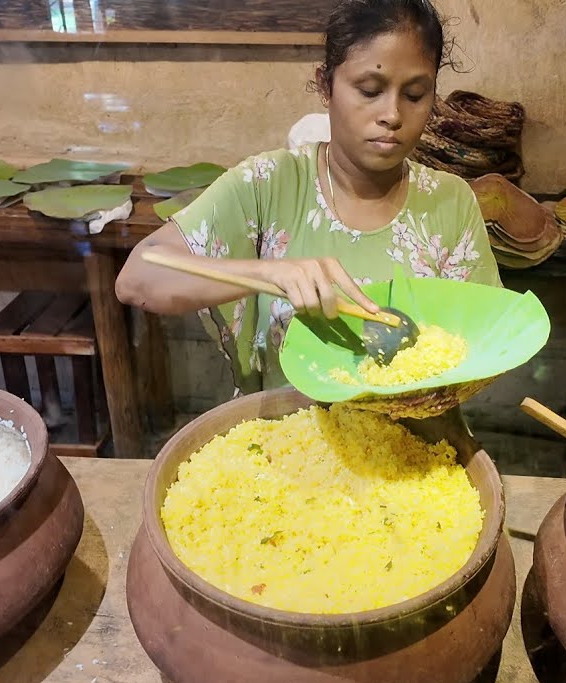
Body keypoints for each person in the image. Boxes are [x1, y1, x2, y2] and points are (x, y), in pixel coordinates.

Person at [116, 0, 502, 395]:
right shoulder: (268, 185)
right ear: (325, 85)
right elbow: (138, 278)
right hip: (291, 441)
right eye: (370, 90)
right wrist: (265, 274)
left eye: (416, 95)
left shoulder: (449, 202)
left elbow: (487, 340)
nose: (392, 114)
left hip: (417, 437)